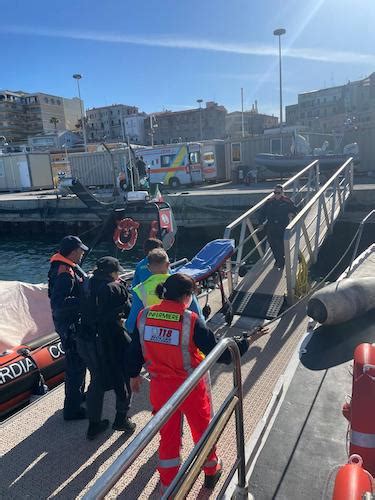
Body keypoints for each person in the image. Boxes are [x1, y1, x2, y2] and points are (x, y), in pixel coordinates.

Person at [128, 273, 250, 491]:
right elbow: (221, 353)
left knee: (168, 436)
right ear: (186, 296)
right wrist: (244, 343)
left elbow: (135, 350)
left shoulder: (144, 316)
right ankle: (211, 471)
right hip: (190, 387)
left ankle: (169, 486)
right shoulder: (190, 320)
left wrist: (133, 374)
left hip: (160, 388)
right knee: (202, 430)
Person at [77, 256, 136, 440]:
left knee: (97, 380)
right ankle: (121, 417)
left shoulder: (86, 283)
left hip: (85, 339)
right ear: (112, 272)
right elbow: (129, 311)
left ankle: (94, 424)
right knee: (125, 375)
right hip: (110, 339)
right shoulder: (115, 288)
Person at [48, 235, 88, 420]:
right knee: (75, 366)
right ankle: (72, 410)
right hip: (70, 327)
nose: (82, 254)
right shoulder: (65, 273)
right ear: (73, 252)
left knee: (78, 364)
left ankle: (78, 397)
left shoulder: (62, 267)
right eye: (80, 251)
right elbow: (59, 303)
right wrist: (84, 301)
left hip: (67, 324)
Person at [126, 248, 203, 334]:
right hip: (178, 334)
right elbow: (197, 314)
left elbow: (131, 324)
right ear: (168, 265)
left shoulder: (141, 290)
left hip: (151, 335)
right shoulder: (182, 285)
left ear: (148, 267)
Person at [258, 184, 298, 270]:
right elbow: (262, 213)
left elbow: (294, 210)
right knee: (272, 244)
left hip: (282, 226)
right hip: (271, 226)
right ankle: (279, 260)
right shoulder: (269, 202)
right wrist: (260, 223)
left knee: (280, 245)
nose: (276, 195)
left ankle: (280, 261)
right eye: (275, 192)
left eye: (278, 193)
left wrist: (292, 214)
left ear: (282, 193)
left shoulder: (287, 201)